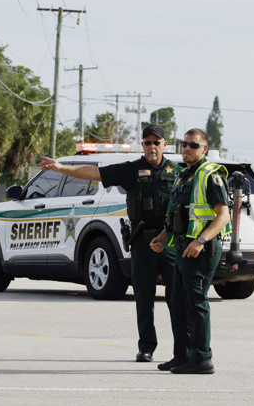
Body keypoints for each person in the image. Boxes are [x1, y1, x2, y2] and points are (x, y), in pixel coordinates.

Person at [39, 125, 182, 365]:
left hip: (169, 241)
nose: (152, 147)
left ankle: (182, 350)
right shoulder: (131, 170)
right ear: (142, 146)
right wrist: (62, 167)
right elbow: (95, 173)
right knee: (143, 298)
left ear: (165, 145)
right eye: (147, 142)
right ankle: (146, 347)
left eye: (156, 142)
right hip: (142, 240)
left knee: (176, 298)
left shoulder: (177, 172)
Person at [150, 128, 231, 375]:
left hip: (201, 250)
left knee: (196, 303)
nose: (187, 148)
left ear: (204, 149)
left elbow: (222, 215)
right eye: (184, 144)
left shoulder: (210, 175)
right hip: (182, 248)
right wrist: (162, 238)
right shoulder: (184, 176)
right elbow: (178, 215)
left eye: (193, 145)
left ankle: (202, 358)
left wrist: (201, 240)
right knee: (177, 302)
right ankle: (182, 355)